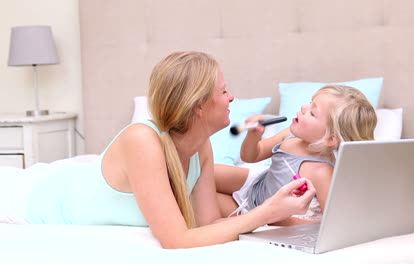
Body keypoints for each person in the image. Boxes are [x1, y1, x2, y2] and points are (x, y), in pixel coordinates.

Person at [0, 51, 315, 248]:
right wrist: (269, 211)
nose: (231, 97)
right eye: (223, 91)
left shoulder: (200, 145)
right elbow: (176, 240)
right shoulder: (143, 140)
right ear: (198, 107)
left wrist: (276, 217)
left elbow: (206, 228)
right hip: (28, 201)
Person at [215, 85, 377, 226]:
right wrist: (253, 135)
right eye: (309, 103)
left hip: (258, 209)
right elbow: (251, 157)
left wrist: (286, 222)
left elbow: (332, 223)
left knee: (202, 199)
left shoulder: (320, 171)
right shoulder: (292, 134)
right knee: (205, 172)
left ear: (330, 138)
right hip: (259, 182)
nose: (304, 108)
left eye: (313, 113)